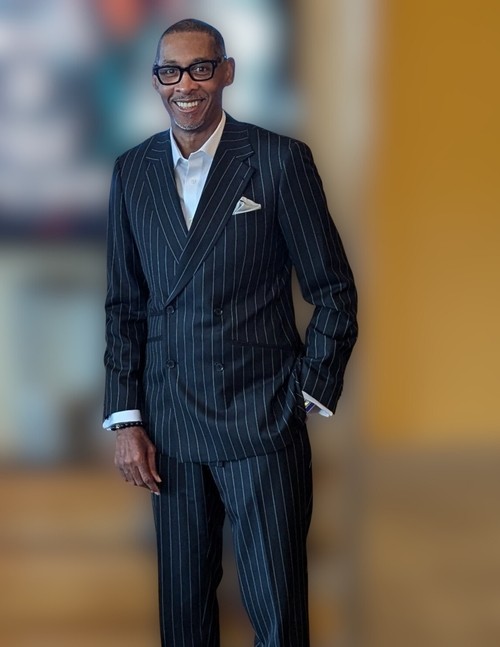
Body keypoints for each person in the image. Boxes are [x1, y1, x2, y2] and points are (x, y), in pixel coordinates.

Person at [103, 18, 358, 647]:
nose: (185, 85)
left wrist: (307, 391)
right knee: (184, 615)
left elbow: (332, 289)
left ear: (226, 73)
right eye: (171, 71)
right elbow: (124, 305)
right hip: (170, 427)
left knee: (276, 613)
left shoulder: (278, 161)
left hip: (261, 419)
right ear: (156, 81)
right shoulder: (132, 171)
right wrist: (126, 417)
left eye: (200, 68)